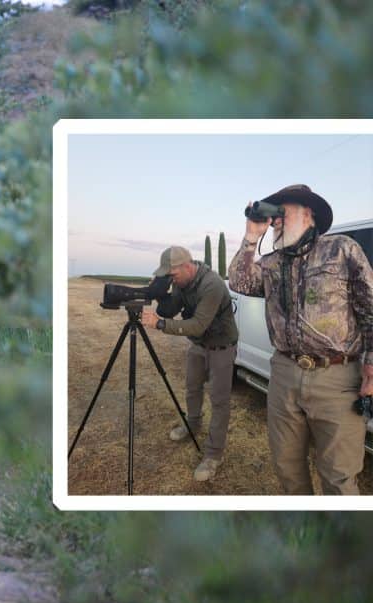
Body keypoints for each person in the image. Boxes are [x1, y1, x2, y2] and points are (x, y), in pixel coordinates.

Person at [228, 184, 373, 495]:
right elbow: (239, 281)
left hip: (337, 378)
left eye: (284, 211)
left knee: (338, 477)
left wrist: (371, 368)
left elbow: (371, 311)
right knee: (287, 467)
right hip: (284, 374)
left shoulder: (341, 250)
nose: (277, 218)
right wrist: (252, 236)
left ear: (309, 215)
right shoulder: (271, 262)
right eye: (274, 212)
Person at [142, 246, 238, 482]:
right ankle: (193, 425)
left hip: (221, 347)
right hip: (198, 345)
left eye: (172, 275)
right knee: (192, 388)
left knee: (219, 400)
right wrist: (160, 291)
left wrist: (161, 324)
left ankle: (214, 455)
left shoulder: (212, 285)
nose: (171, 279)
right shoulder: (181, 282)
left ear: (187, 266)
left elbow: (197, 325)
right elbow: (170, 309)